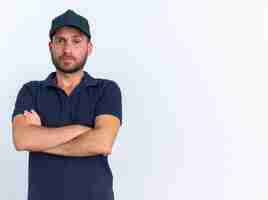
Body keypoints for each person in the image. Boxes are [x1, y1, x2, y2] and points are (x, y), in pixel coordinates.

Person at [11, 9, 122, 200]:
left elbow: (103, 143)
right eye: (60, 41)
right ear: (50, 46)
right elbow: (22, 140)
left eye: (76, 41)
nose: (67, 50)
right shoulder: (31, 91)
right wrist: (82, 130)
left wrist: (40, 141)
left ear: (89, 47)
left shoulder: (106, 90)